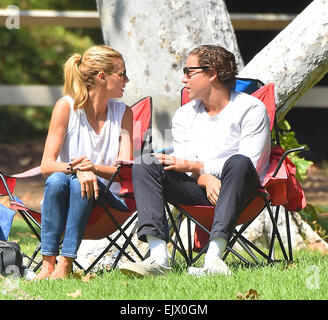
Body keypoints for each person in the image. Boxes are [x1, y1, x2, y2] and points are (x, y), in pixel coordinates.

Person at [119, 44, 271, 277]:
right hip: (200, 188)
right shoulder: (185, 114)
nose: (183, 79)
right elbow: (184, 161)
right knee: (145, 163)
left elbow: (249, 163)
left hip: (242, 192)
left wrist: (198, 167)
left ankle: (214, 261)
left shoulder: (251, 109)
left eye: (189, 72)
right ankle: (159, 259)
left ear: (212, 73)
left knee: (238, 161)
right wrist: (205, 177)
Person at [34, 45, 132, 280]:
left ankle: (66, 261)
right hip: (65, 190)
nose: (127, 80)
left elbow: (123, 173)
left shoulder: (124, 113)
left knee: (80, 183)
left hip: (109, 199)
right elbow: (47, 166)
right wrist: (79, 169)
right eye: (122, 74)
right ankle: (48, 264)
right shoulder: (66, 107)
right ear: (102, 77)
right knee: (59, 179)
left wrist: (92, 168)